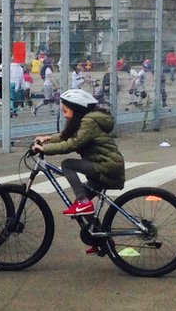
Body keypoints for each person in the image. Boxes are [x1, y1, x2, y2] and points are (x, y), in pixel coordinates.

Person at [32, 88, 125, 236]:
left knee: (67, 165)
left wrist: (45, 149)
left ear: (76, 109)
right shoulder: (84, 122)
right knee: (80, 204)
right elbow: (66, 136)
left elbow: (72, 144)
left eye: (66, 111)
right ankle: (99, 238)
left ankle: (83, 202)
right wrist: (47, 139)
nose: (64, 115)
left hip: (108, 166)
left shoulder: (88, 123)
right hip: (104, 165)